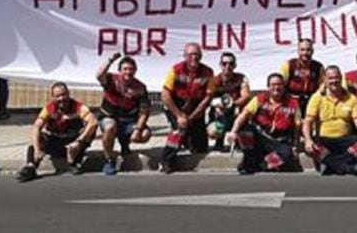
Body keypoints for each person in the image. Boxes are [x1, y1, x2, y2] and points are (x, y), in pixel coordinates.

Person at [16, 82, 97, 182]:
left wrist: (78, 142)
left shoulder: (78, 107)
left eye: (64, 94)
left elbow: (93, 122)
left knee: (91, 131)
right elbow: (36, 127)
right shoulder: (49, 108)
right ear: (53, 97)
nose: (62, 98)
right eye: (58, 96)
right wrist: (37, 150)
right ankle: (31, 167)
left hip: (73, 144)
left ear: (68, 93)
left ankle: (73, 163)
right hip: (55, 141)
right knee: (37, 138)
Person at [159, 42, 217, 174]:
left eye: (197, 54)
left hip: (196, 109)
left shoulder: (208, 72)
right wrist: (179, 116)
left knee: (200, 147)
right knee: (180, 131)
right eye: (190, 54)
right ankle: (165, 161)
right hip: (175, 106)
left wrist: (192, 117)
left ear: (201, 56)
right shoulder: (175, 69)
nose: (194, 58)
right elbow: (165, 94)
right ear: (185, 56)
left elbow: (207, 98)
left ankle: (188, 142)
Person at [303, 66, 357, 175]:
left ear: (341, 78)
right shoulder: (317, 98)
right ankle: (345, 166)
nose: (334, 81)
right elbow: (307, 121)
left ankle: (331, 165)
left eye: (336, 77)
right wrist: (308, 139)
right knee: (310, 148)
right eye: (330, 78)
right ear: (325, 80)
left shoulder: (351, 98)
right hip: (324, 139)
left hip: (344, 139)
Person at [226, 73, 301, 174]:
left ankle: (260, 164)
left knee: (287, 157)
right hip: (260, 137)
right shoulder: (259, 99)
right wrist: (233, 132)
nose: (276, 87)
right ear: (268, 87)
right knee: (245, 128)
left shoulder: (293, 103)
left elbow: (297, 126)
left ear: (284, 86)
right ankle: (249, 160)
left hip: (279, 141)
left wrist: (295, 146)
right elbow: (244, 115)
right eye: (273, 85)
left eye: (279, 84)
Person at [95, 52, 152, 175]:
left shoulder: (140, 87)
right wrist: (110, 59)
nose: (128, 72)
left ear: (135, 70)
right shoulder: (110, 79)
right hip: (109, 116)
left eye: (131, 69)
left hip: (129, 120)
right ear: (120, 70)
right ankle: (109, 159)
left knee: (146, 134)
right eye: (125, 69)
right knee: (110, 127)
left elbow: (144, 111)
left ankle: (124, 143)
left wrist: (138, 129)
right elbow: (99, 75)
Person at [207, 52, 251, 147]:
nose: (227, 66)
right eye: (224, 63)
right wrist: (216, 106)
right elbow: (208, 98)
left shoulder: (241, 78)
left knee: (246, 129)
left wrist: (233, 105)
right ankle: (219, 141)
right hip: (219, 113)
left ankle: (238, 141)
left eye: (231, 64)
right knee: (213, 130)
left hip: (235, 111)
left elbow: (246, 96)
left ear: (235, 65)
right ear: (220, 65)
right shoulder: (213, 80)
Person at [280, 38, 325, 117]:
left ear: (312, 51)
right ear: (298, 51)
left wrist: (316, 97)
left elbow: (322, 86)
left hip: (311, 101)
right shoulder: (289, 65)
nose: (305, 53)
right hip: (291, 101)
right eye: (302, 50)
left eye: (308, 50)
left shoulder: (319, 67)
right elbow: (280, 84)